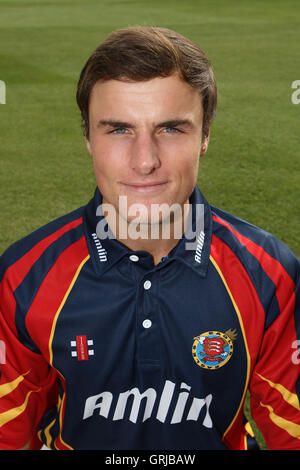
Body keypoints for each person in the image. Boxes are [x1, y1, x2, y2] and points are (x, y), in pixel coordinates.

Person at [0, 26, 299, 451]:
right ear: (87, 137)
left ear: (206, 135)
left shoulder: (270, 273)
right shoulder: (22, 277)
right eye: (119, 130)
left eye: (171, 129)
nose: (145, 161)